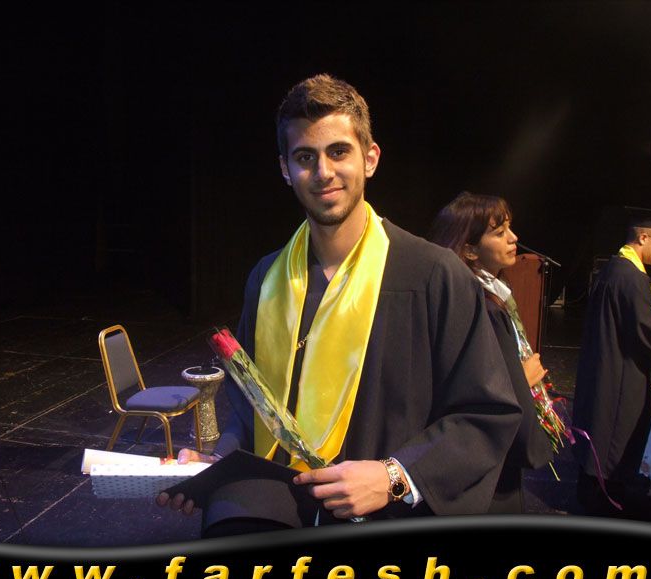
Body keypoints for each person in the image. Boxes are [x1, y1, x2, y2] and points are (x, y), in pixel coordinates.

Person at [158, 74, 522, 535]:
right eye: (304, 157)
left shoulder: (433, 276)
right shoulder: (267, 280)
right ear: (285, 169)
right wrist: (218, 461)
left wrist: (394, 476)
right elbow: (252, 409)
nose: (323, 172)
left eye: (338, 152)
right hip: (278, 514)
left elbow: (486, 414)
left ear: (370, 158)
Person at [428, 191, 555, 513]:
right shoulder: (480, 306)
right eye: (499, 233)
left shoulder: (489, 294)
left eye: (509, 228)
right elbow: (470, 382)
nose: (514, 238)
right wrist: (520, 381)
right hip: (486, 460)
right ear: (470, 249)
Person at [572, 214, 651, 515]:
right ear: (643, 238)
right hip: (620, 372)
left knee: (599, 427)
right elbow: (646, 330)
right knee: (613, 432)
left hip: (604, 361)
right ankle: (605, 500)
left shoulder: (617, 267)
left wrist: (649, 291)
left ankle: (593, 491)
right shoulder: (632, 278)